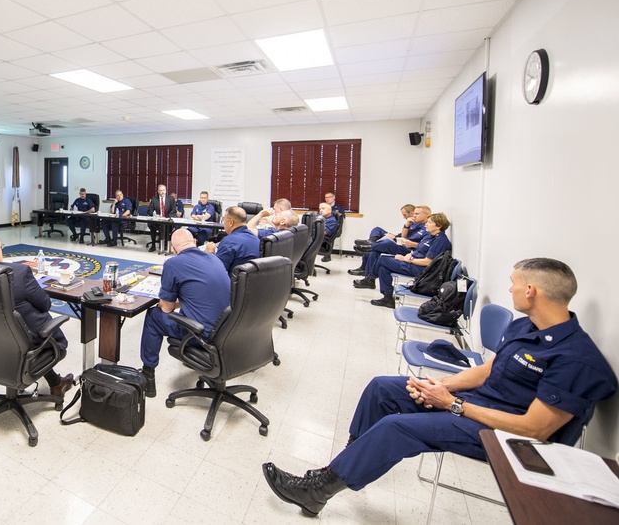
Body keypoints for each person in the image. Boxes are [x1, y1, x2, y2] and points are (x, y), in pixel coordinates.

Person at [262, 258, 617, 517]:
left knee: (395, 426)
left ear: (531, 290)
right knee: (382, 388)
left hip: (502, 431)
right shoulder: (527, 326)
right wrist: (437, 385)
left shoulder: (575, 358)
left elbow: (536, 429)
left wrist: (452, 404)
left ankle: (317, 492)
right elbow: (485, 372)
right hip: (474, 403)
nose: (509, 288)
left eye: (513, 282)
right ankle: (345, 464)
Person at [0, 232, 74, 398]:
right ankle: (56, 383)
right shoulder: (18, 272)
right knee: (33, 332)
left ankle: (55, 382)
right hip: (25, 344)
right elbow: (45, 304)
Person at [139, 228, 231, 398]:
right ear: (195, 243)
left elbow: (165, 308)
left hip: (202, 335)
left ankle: (148, 374)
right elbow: (200, 294)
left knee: (153, 317)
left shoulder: (173, 263)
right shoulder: (214, 258)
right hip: (228, 331)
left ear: (174, 250)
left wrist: (170, 301)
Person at [353, 212, 452, 308]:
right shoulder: (430, 236)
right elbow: (418, 251)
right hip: (413, 261)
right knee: (384, 268)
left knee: (383, 259)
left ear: (438, 226)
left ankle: (370, 279)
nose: (426, 224)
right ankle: (387, 298)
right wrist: (409, 255)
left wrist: (407, 260)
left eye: (429, 222)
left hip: (420, 269)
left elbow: (428, 262)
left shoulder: (440, 241)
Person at [348, 205, 430, 277]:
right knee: (374, 248)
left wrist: (407, 242)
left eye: (417, 214)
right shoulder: (415, 223)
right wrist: (406, 225)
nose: (414, 215)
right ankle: (368, 277)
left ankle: (370, 246)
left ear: (426, 214)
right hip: (402, 242)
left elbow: (423, 247)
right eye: (414, 213)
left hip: (409, 249)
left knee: (386, 244)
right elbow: (403, 236)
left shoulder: (428, 229)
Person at [205, 206, 259, 273]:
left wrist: (210, 253)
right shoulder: (256, 239)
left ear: (231, 223)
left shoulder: (229, 242)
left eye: (224, 220)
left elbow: (216, 272)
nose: (223, 223)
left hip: (231, 282)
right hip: (250, 281)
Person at [147, 183, 176, 252]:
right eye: (161, 190)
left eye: (164, 190)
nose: (162, 192)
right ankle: (153, 245)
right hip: (157, 220)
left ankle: (164, 245)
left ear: (166, 191)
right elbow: (149, 210)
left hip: (167, 220)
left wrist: (168, 217)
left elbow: (173, 210)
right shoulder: (154, 199)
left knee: (167, 226)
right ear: (158, 191)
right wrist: (155, 215)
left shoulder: (171, 199)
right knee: (151, 224)